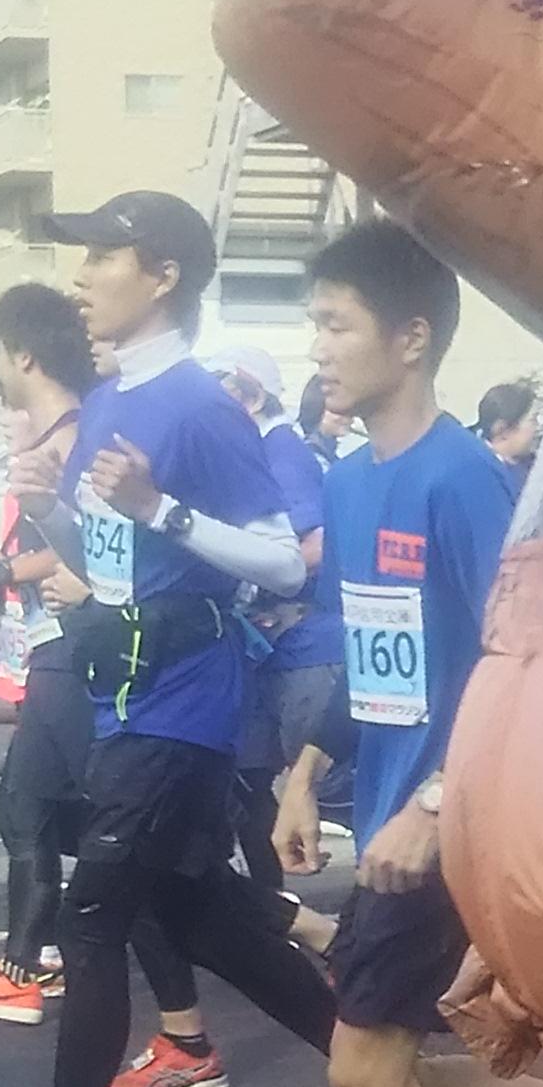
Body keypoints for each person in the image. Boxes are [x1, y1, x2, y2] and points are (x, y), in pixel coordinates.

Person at [0, 192, 340, 1087]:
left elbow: (283, 561)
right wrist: (52, 514)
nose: (81, 279)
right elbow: (106, 560)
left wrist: (163, 508)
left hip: (184, 703)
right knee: (202, 918)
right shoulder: (111, 399)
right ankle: (378, 1067)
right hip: (124, 697)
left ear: (162, 276)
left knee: (95, 918)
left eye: (102, 258)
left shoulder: (200, 407)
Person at [273, 220, 543, 1087]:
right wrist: (305, 775)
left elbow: (516, 657)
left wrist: (435, 806)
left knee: (362, 1074)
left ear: (412, 337)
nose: (319, 348)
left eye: (335, 325)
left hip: (449, 825)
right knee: (397, 1073)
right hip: (387, 814)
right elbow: (374, 657)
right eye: (316, 325)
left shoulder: (462, 478)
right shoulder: (350, 482)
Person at [0, 280, 226, 1087]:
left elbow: (104, 551)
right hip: (56, 655)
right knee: (38, 818)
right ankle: (30, 970)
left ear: (23, 355)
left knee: (111, 849)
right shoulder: (62, 436)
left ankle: (198, 1020)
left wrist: (4, 569)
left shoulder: (78, 439)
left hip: (79, 653)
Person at [210, 338, 330, 927]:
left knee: (325, 788)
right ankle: (273, 916)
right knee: (249, 786)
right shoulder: (253, 451)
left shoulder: (282, 452)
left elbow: (315, 544)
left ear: (252, 396)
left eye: (221, 395)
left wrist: (244, 572)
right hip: (266, 647)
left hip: (302, 646)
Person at [475, 377, 543, 503]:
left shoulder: (532, 461)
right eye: (532, 420)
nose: (538, 426)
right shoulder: (487, 479)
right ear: (503, 430)